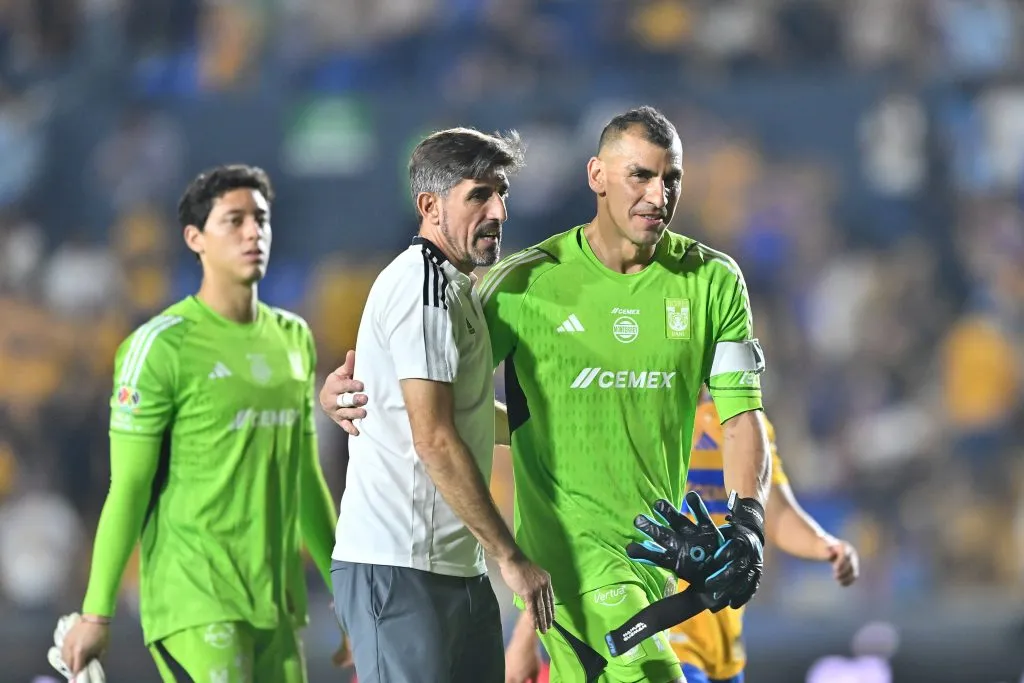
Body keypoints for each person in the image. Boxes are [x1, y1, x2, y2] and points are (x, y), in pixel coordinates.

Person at [321, 106, 771, 683]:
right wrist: (348, 394)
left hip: (650, 565)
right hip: (567, 569)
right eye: (640, 176)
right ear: (597, 176)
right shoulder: (518, 286)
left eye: (672, 178)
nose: (659, 195)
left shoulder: (714, 281)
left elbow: (741, 416)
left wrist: (748, 522)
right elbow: (428, 398)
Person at [55, 164, 363, 682]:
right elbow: (128, 485)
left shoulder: (294, 338)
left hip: (276, 603)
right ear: (195, 238)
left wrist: (347, 599)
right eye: (233, 220)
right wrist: (95, 612)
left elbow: (305, 478)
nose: (252, 232)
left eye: (260, 220)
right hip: (195, 597)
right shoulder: (159, 346)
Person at [329, 127, 554, 683]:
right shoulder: (422, 287)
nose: (498, 209)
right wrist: (509, 556)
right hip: (401, 567)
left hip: (453, 568)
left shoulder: (457, 290)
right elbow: (433, 438)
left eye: (501, 192)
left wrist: (557, 431)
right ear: (430, 206)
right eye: (479, 195)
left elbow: (467, 418)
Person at [504, 396, 861, 683]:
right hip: (651, 629)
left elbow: (776, 514)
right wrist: (526, 637)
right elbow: (572, 532)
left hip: (721, 641)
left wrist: (824, 545)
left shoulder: (742, 426)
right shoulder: (625, 418)